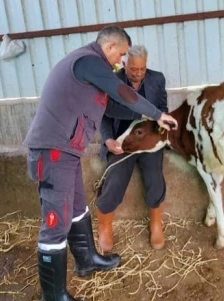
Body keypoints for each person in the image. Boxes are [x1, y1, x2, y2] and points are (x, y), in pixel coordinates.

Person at [23, 26, 177, 301]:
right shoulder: (89, 61)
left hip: (67, 152)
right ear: (109, 47)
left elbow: (114, 107)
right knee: (56, 223)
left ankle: (87, 260)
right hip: (52, 151)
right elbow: (121, 92)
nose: (121, 61)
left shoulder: (92, 75)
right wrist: (155, 112)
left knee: (78, 210)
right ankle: (53, 295)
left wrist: (155, 118)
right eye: (120, 55)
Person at [96, 45, 168, 251]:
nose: (137, 74)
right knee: (115, 178)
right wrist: (108, 140)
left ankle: (155, 224)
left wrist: (161, 132)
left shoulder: (157, 79)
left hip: (147, 140)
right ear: (124, 63)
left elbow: (162, 110)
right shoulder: (112, 81)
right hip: (121, 141)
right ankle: (105, 227)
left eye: (142, 69)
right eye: (133, 69)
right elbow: (104, 115)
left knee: (155, 176)